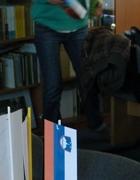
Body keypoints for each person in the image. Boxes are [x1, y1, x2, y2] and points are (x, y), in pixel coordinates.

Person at [32, 0, 106, 135]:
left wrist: (96, 3)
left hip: (78, 27)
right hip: (47, 26)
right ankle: (53, 135)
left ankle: (97, 125)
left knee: (88, 78)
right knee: (53, 84)